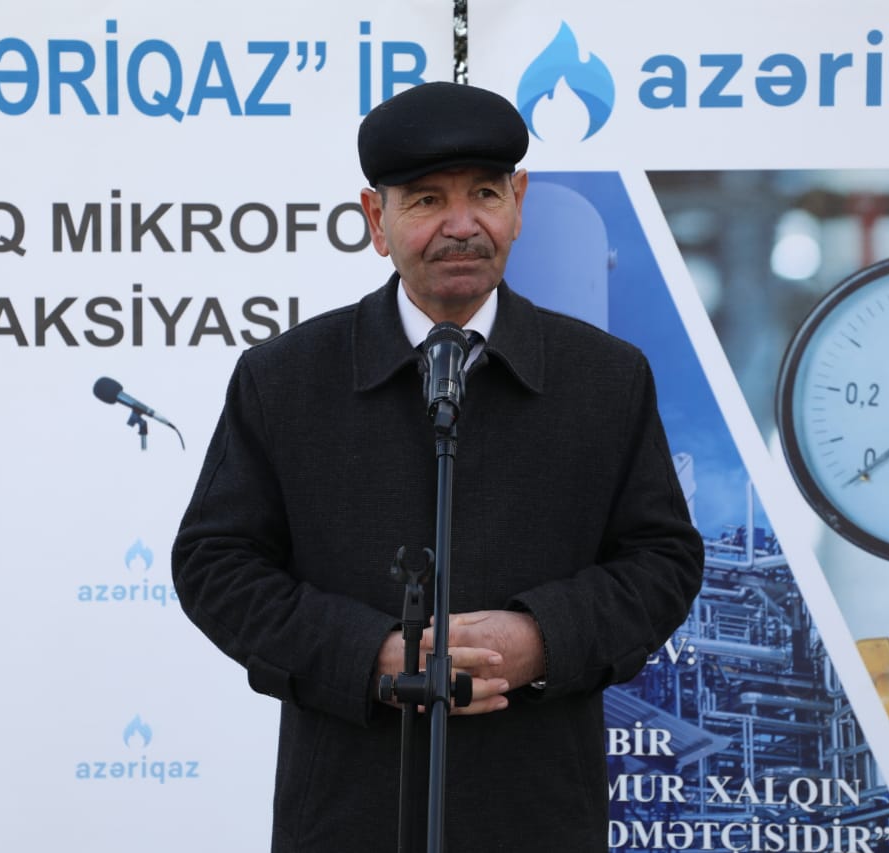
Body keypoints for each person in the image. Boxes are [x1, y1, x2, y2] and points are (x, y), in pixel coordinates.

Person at [171, 81, 704, 852]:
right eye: (426, 201)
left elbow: (663, 562)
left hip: (540, 815)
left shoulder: (606, 378)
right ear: (374, 219)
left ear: (519, 203)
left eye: (485, 193)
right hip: (347, 815)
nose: (462, 225)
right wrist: (372, 655)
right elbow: (216, 564)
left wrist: (541, 637)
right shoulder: (284, 378)